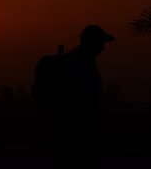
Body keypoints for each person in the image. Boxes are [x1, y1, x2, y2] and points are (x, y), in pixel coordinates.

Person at [34, 25, 114, 168]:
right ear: (94, 43)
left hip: (72, 128)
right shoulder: (80, 63)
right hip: (76, 130)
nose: (103, 47)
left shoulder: (81, 60)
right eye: (101, 43)